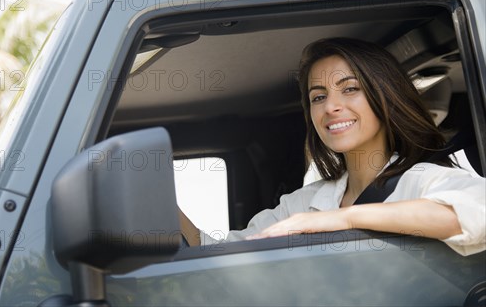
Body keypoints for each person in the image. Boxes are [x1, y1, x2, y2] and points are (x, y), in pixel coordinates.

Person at [179, 38, 485, 256]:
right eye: (318, 96)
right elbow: (218, 256)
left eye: (350, 89)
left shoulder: (421, 180)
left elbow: (477, 213)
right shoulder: (305, 203)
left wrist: (344, 218)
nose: (331, 107)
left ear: (386, 98)